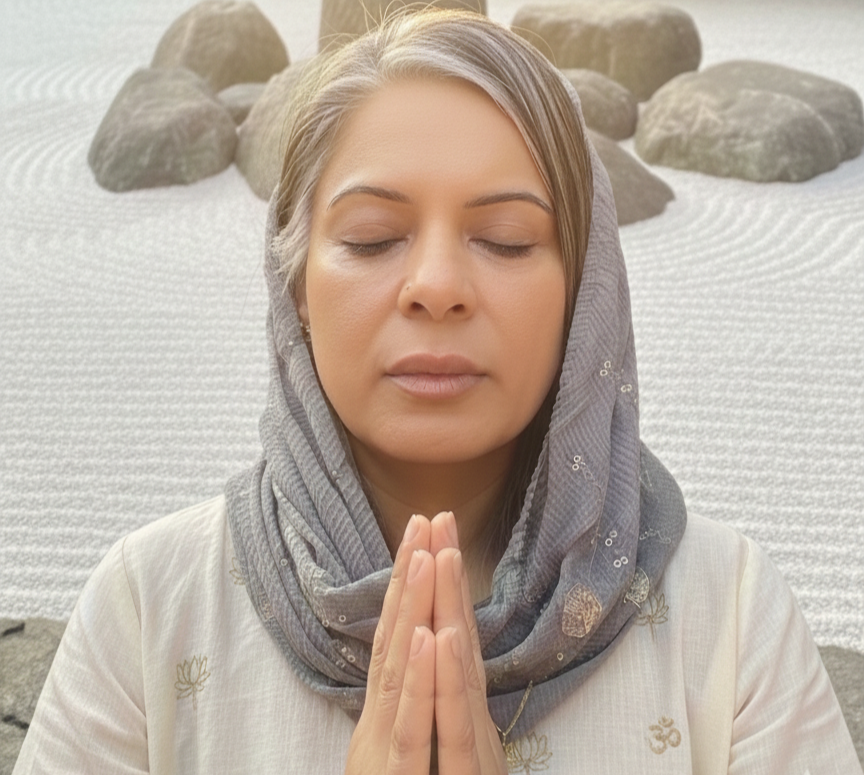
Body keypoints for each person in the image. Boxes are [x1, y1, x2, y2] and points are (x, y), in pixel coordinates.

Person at [13, 8, 861, 774]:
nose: (438, 285)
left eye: (506, 238)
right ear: (297, 284)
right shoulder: (148, 610)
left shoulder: (729, 619)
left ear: (586, 289)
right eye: (373, 237)